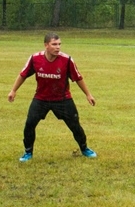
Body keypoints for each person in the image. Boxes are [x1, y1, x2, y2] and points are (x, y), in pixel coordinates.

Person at [8, 33, 97, 162]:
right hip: (41, 99)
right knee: (29, 124)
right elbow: (23, 75)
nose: (58, 47)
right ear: (46, 45)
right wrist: (13, 90)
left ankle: (84, 149)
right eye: (54, 44)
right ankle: (28, 153)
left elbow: (78, 78)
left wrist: (88, 94)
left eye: (59, 44)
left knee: (75, 125)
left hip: (62, 99)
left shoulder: (67, 60)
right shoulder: (35, 58)